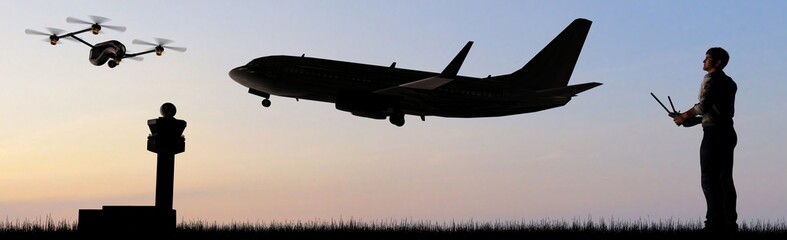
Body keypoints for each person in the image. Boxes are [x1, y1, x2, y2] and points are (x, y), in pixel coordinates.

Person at [673, 47, 738, 233]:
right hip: (727, 132)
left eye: (707, 58)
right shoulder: (730, 82)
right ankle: (729, 223)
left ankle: (713, 224)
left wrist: (684, 116)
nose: (703, 61)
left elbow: (703, 106)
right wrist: (692, 121)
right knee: (725, 179)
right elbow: (717, 112)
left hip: (713, 135)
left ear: (717, 63)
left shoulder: (711, 79)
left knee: (709, 179)